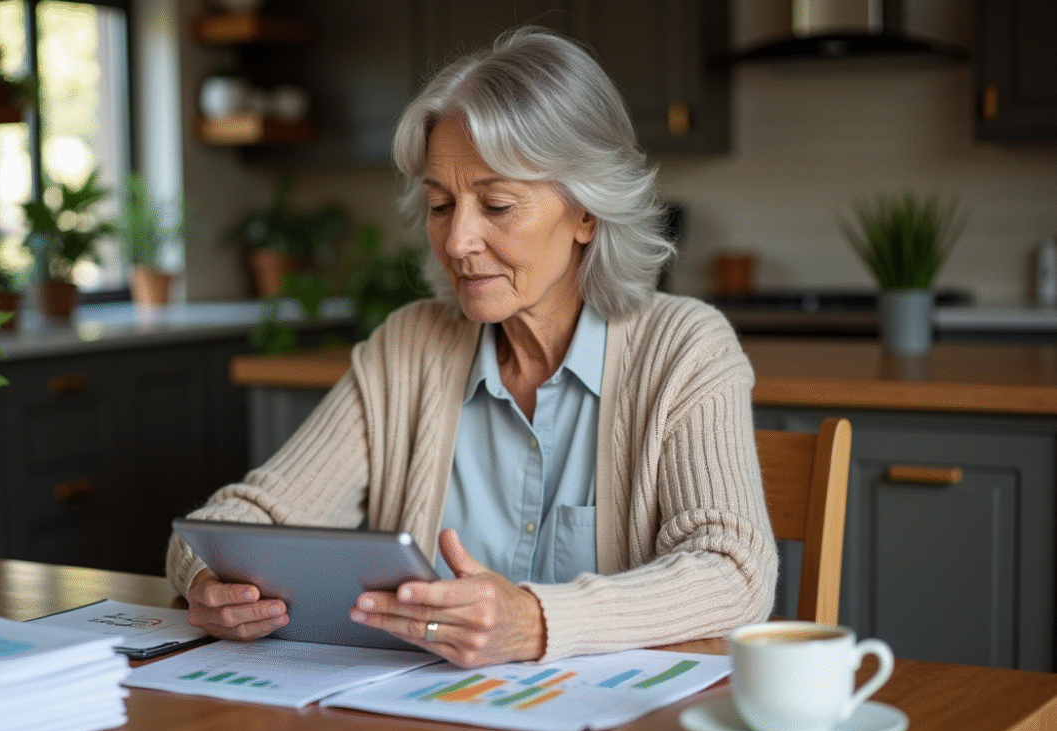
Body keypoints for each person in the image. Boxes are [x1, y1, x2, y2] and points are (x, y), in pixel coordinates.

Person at [167, 26, 777, 668]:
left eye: (498, 204)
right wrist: (210, 583)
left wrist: (537, 621)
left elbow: (733, 572)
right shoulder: (408, 349)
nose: (458, 240)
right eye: (440, 205)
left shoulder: (684, 349)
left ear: (587, 215)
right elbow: (244, 519)